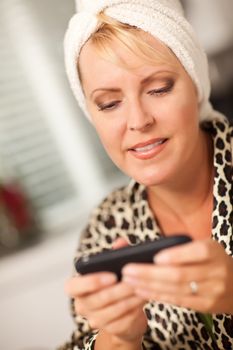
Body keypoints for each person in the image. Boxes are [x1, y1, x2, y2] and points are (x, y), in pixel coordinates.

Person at [60, 0, 233, 349]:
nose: (138, 120)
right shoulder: (105, 228)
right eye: (109, 103)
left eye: (159, 88)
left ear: (196, 85)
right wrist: (119, 338)